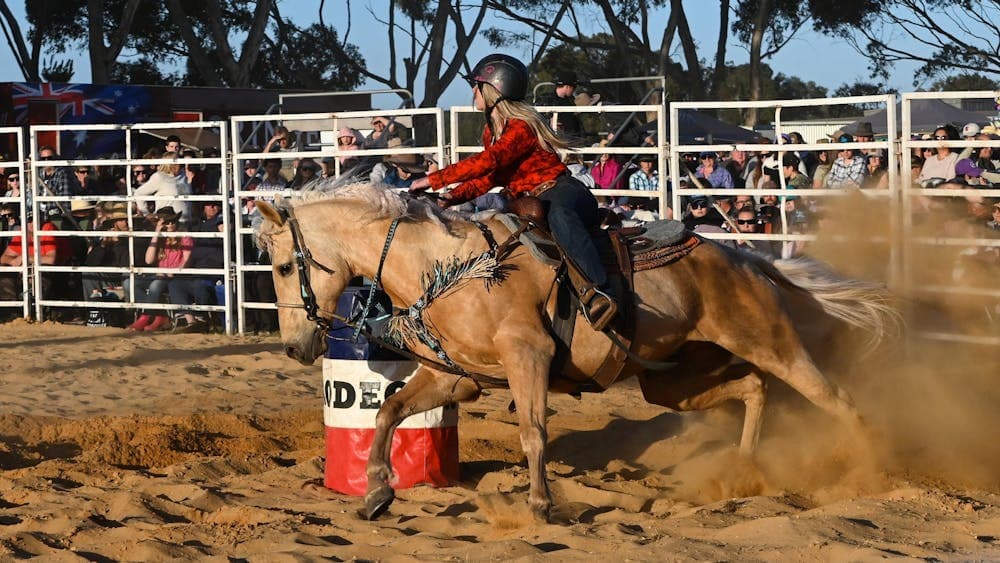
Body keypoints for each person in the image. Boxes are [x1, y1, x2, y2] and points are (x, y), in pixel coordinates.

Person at [407, 53, 615, 328]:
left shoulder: (521, 127)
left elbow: (489, 162)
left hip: (560, 190)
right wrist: (449, 198)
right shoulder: (491, 131)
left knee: (561, 217)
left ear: (493, 89)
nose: (473, 91)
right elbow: (490, 176)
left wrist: (434, 180)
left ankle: (601, 291)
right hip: (530, 200)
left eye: (476, 85)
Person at [132, 151, 192, 224]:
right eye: (176, 162)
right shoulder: (159, 177)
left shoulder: (183, 175)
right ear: (169, 163)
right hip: (167, 222)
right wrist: (146, 213)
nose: (179, 164)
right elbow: (139, 193)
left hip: (186, 221)